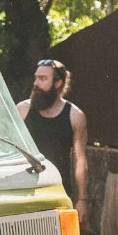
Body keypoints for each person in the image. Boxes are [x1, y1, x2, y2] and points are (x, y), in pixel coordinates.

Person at [17, 58, 88, 221]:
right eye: (36, 77)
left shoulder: (75, 116)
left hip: (57, 192)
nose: (36, 83)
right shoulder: (22, 110)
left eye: (43, 79)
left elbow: (80, 160)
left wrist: (82, 200)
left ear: (58, 83)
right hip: (25, 191)